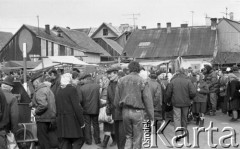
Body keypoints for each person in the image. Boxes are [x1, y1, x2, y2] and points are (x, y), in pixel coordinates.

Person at [114, 61, 154, 149]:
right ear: (139, 69)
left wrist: (120, 110)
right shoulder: (142, 81)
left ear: (129, 68)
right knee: (137, 138)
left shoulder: (121, 80)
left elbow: (116, 100)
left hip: (125, 111)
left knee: (128, 137)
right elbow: (148, 100)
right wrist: (151, 116)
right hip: (138, 112)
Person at [55, 73, 85, 149]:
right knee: (79, 140)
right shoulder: (71, 89)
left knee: (65, 143)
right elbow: (77, 107)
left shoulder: (58, 90)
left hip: (61, 122)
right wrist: (82, 122)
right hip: (72, 121)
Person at [166, 68, 196, 141]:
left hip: (176, 103)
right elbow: (193, 92)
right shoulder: (188, 81)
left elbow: (168, 93)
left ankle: (178, 135)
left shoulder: (173, 81)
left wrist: (168, 101)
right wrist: (190, 98)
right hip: (186, 103)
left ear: (177, 73)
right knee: (184, 118)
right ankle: (184, 132)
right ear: (184, 73)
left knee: (177, 118)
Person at [30, 72, 57, 149]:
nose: (33, 85)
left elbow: (43, 105)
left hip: (43, 118)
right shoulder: (47, 89)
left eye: (33, 83)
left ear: (37, 82)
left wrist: (35, 111)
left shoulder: (40, 90)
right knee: (47, 138)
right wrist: (32, 103)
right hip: (50, 117)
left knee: (43, 140)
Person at [79, 73, 101, 145]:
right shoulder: (97, 86)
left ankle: (88, 141)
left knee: (87, 125)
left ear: (86, 79)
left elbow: (80, 100)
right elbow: (99, 97)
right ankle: (97, 140)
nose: (83, 81)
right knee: (96, 124)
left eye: (83, 79)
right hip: (95, 109)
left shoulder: (82, 88)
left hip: (85, 109)